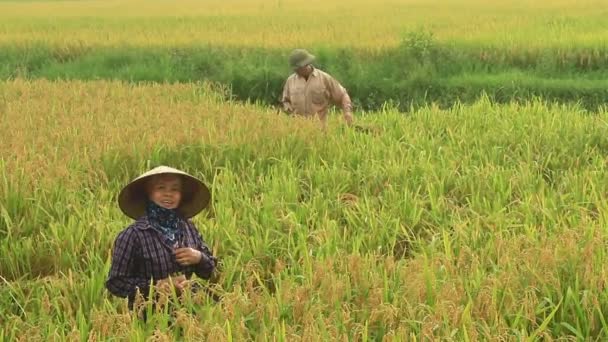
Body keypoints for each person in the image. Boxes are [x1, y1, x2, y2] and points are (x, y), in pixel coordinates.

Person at [105, 165, 216, 317]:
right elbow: (116, 283)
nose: (168, 194)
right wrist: (156, 286)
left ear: (181, 195)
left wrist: (198, 258)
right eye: (161, 188)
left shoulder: (188, 227)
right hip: (150, 317)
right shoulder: (132, 235)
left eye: (174, 189)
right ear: (148, 193)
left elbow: (210, 271)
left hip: (190, 312)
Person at [280, 49, 354, 127]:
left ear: (305, 64)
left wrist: (347, 112)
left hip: (320, 130)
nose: (295, 70)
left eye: (297, 68)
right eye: (294, 68)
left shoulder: (324, 78)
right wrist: (287, 108)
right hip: (298, 131)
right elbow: (285, 101)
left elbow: (343, 95)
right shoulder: (290, 81)